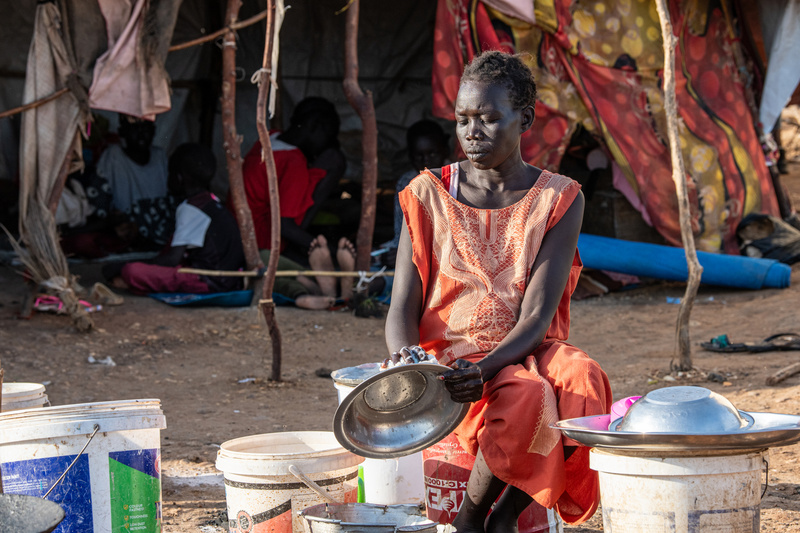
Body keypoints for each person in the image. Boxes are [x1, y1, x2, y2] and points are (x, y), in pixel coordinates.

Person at [385, 51, 612, 532]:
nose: (473, 132)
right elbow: (402, 303)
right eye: (464, 119)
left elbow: (535, 317)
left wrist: (487, 369)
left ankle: (497, 517)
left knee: (585, 380)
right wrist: (410, 363)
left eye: (489, 118)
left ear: (524, 119)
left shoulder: (559, 198)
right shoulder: (426, 193)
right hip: (448, 357)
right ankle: (471, 521)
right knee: (527, 395)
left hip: (527, 345)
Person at [108, 143, 245, 295]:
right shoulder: (212, 201)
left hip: (209, 283)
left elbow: (172, 260)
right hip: (231, 281)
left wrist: (125, 265)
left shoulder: (190, 208)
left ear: (179, 178)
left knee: (131, 271)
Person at [240, 97, 346, 265]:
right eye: (328, 136)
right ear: (314, 126)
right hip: (263, 244)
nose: (326, 145)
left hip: (241, 234)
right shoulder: (293, 162)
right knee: (335, 160)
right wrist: (332, 252)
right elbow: (284, 227)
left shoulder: (269, 137)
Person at [96, 113, 176, 249]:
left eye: (146, 129)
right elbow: (101, 203)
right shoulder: (113, 156)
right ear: (122, 132)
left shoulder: (159, 156)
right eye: (135, 129)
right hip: (125, 228)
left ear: (154, 131)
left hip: (158, 229)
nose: (141, 134)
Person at [381, 120, 451, 266]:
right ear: (410, 156)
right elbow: (401, 232)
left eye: (432, 153)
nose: (426, 161)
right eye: (419, 156)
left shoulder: (458, 180)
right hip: (412, 250)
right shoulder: (407, 182)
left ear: (445, 149)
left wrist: (410, 255)